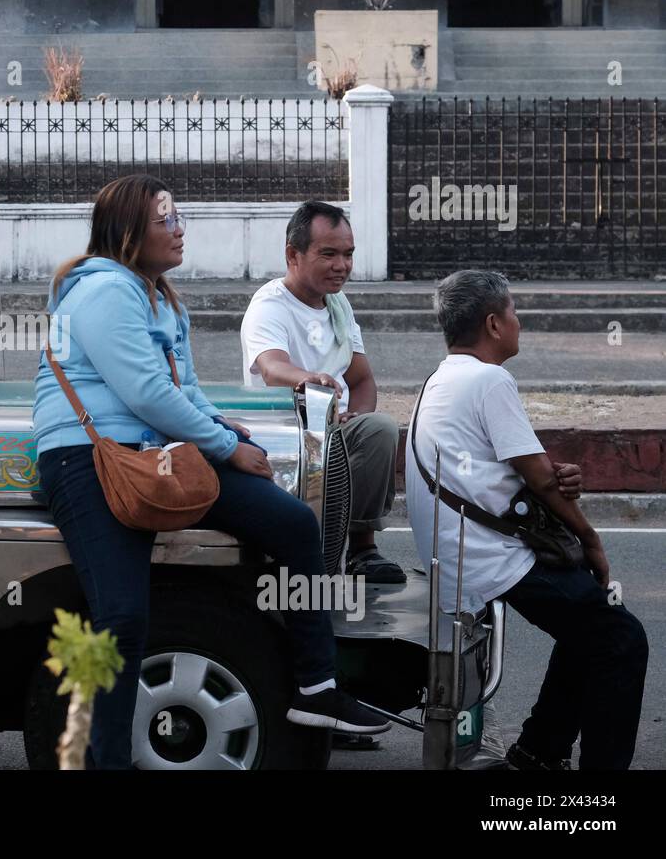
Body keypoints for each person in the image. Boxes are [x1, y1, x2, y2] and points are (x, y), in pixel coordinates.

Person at [33, 174, 389, 769]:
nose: (179, 231)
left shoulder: (159, 296)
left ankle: (316, 689)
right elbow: (145, 392)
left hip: (159, 456)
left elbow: (185, 389)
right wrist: (225, 447)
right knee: (121, 617)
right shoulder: (104, 292)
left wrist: (223, 426)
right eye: (165, 221)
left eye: (179, 218)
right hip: (91, 460)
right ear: (128, 233)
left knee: (294, 526)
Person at [406, 270, 648, 770]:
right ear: (494, 324)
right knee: (621, 640)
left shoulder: (442, 377)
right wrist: (590, 537)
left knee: (590, 630)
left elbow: (520, 470)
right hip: (486, 558)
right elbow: (539, 480)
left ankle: (539, 751)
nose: (519, 321)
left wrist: (555, 477)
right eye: (513, 311)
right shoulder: (490, 379)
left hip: (459, 550)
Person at [240, 200, 406, 583]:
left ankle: (363, 550)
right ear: (293, 255)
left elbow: (362, 380)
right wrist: (307, 379)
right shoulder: (270, 305)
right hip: (289, 435)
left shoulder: (338, 306)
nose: (342, 266)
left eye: (348, 255)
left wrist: (356, 416)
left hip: (334, 429)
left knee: (378, 428)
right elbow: (271, 366)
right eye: (328, 254)